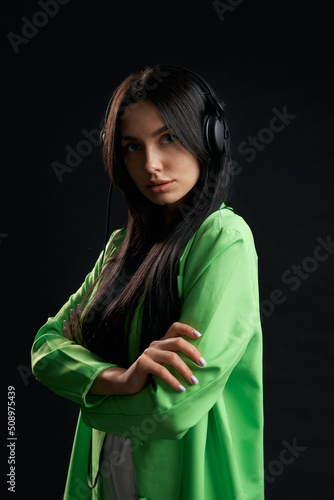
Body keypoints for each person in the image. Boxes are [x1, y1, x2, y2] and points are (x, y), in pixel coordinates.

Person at [31, 65, 264, 500]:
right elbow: (45, 349)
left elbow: (173, 407)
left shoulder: (224, 240)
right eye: (132, 147)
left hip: (184, 484)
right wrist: (120, 379)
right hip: (105, 482)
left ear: (208, 138)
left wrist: (86, 387)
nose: (150, 165)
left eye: (168, 138)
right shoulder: (122, 247)